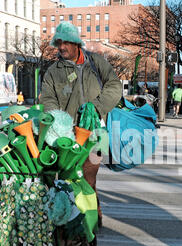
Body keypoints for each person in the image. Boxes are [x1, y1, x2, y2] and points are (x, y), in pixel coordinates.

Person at [40, 22, 122, 227]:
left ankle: (92, 218)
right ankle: (73, 218)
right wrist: (59, 122)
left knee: (88, 178)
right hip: (67, 136)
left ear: (76, 43)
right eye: (58, 43)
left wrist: (97, 106)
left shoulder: (96, 63)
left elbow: (114, 85)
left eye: (65, 42)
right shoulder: (53, 71)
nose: (61, 47)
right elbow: (48, 99)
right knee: (67, 178)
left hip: (96, 133)